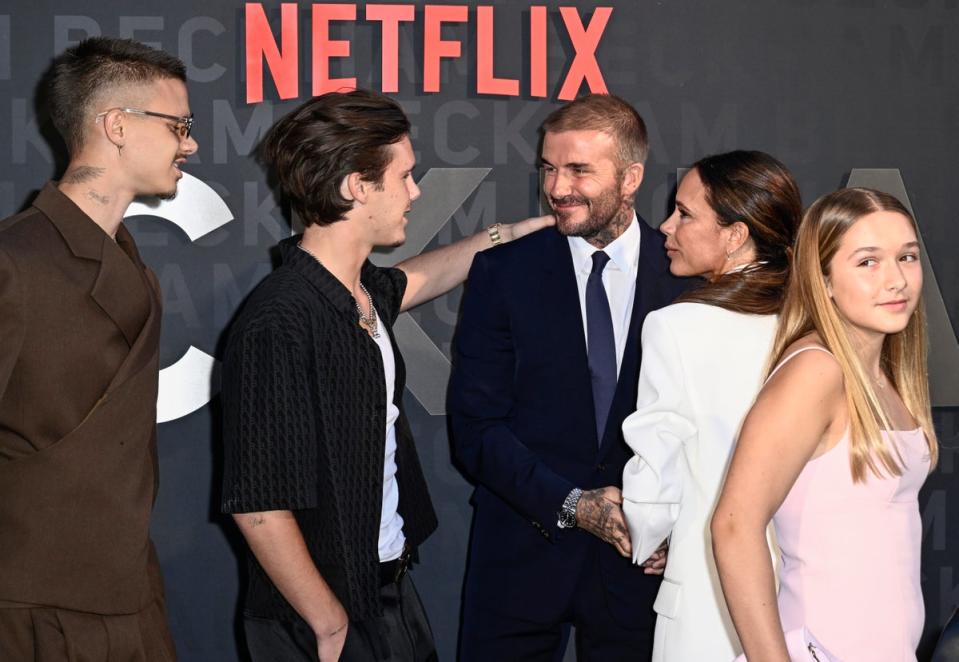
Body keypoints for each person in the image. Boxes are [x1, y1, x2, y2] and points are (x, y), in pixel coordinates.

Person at [219, 89, 551, 662]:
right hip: (320, 615)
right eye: (404, 176)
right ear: (356, 185)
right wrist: (326, 622)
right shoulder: (279, 322)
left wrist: (504, 238)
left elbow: (418, 278)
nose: (415, 191)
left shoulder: (360, 290)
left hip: (386, 588)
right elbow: (259, 507)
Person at [448, 93, 689, 661]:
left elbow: (715, 433)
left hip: (644, 569)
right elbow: (475, 428)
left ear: (630, 178)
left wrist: (677, 530)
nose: (558, 188)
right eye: (549, 168)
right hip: (519, 558)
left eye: (579, 170)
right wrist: (574, 504)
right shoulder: (503, 272)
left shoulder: (686, 278)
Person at [0, 37, 198, 660]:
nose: (189, 144)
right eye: (179, 125)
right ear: (117, 124)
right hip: (31, 610)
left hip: (130, 592)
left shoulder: (133, 266)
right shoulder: (13, 262)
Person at [711, 187, 939, 661]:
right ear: (824, 279)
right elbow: (734, 525)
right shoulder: (817, 371)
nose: (895, 280)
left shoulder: (883, 373)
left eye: (907, 257)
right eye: (868, 262)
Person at [620, 150, 802, 661]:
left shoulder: (677, 327)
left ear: (735, 234)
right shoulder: (818, 321)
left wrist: (645, 534)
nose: (665, 226)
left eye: (685, 213)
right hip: (806, 594)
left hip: (710, 597)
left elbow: (654, 486)